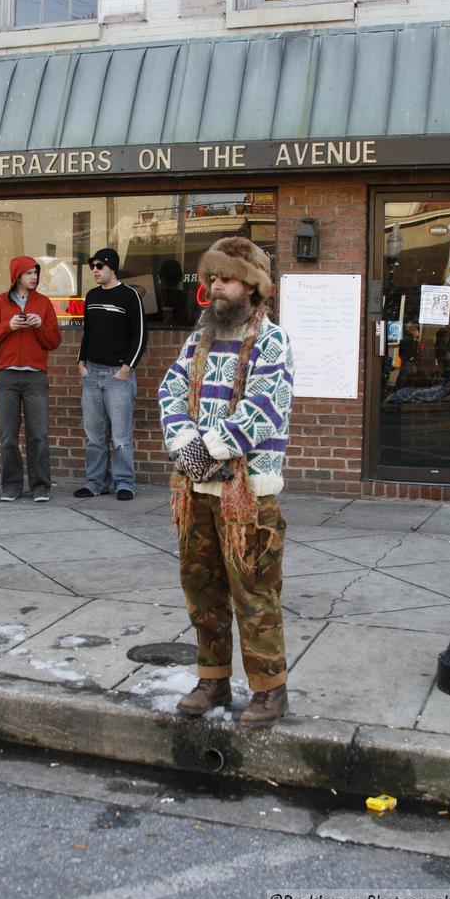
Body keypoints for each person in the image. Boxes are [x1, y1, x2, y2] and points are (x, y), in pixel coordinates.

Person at [158, 236, 294, 727]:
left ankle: (269, 691)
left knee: (254, 593)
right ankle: (212, 679)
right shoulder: (199, 339)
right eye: (211, 277)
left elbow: (261, 409)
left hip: (249, 496)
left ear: (253, 287)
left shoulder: (272, 341)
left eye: (227, 279)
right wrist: (185, 449)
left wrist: (206, 449)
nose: (215, 286)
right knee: (202, 589)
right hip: (195, 489)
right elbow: (170, 390)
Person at [0, 255, 61, 503]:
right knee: (8, 436)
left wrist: (39, 326)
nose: (33, 277)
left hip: (35, 377)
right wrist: (9, 326)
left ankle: (40, 486)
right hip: (7, 377)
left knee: (39, 435)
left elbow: (54, 342)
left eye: (35, 272)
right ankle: (11, 485)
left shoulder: (44, 303)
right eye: (28, 273)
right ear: (17, 276)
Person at [75, 247, 148, 501]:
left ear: (112, 268)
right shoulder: (92, 296)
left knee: (120, 435)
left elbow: (140, 334)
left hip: (118, 375)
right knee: (95, 435)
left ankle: (124, 482)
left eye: (99, 266)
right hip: (92, 374)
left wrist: (127, 368)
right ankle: (95, 482)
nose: (94, 271)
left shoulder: (130, 296)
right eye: (92, 266)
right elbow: (88, 332)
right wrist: (81, 362)